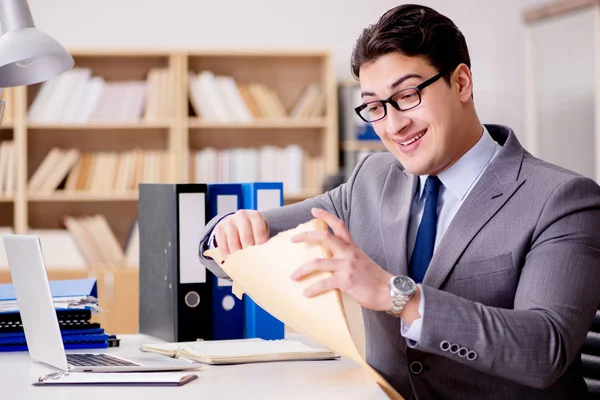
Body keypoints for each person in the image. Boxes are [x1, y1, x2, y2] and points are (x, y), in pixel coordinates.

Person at [198, 4, 600, 399]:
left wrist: (398, 295)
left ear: (461, 83)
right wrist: (229, 228)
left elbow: (544, 350)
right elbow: (229, 244)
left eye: (407, 95)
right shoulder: (369, 180)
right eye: (374, 107)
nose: (393, 125)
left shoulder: (560, 198)